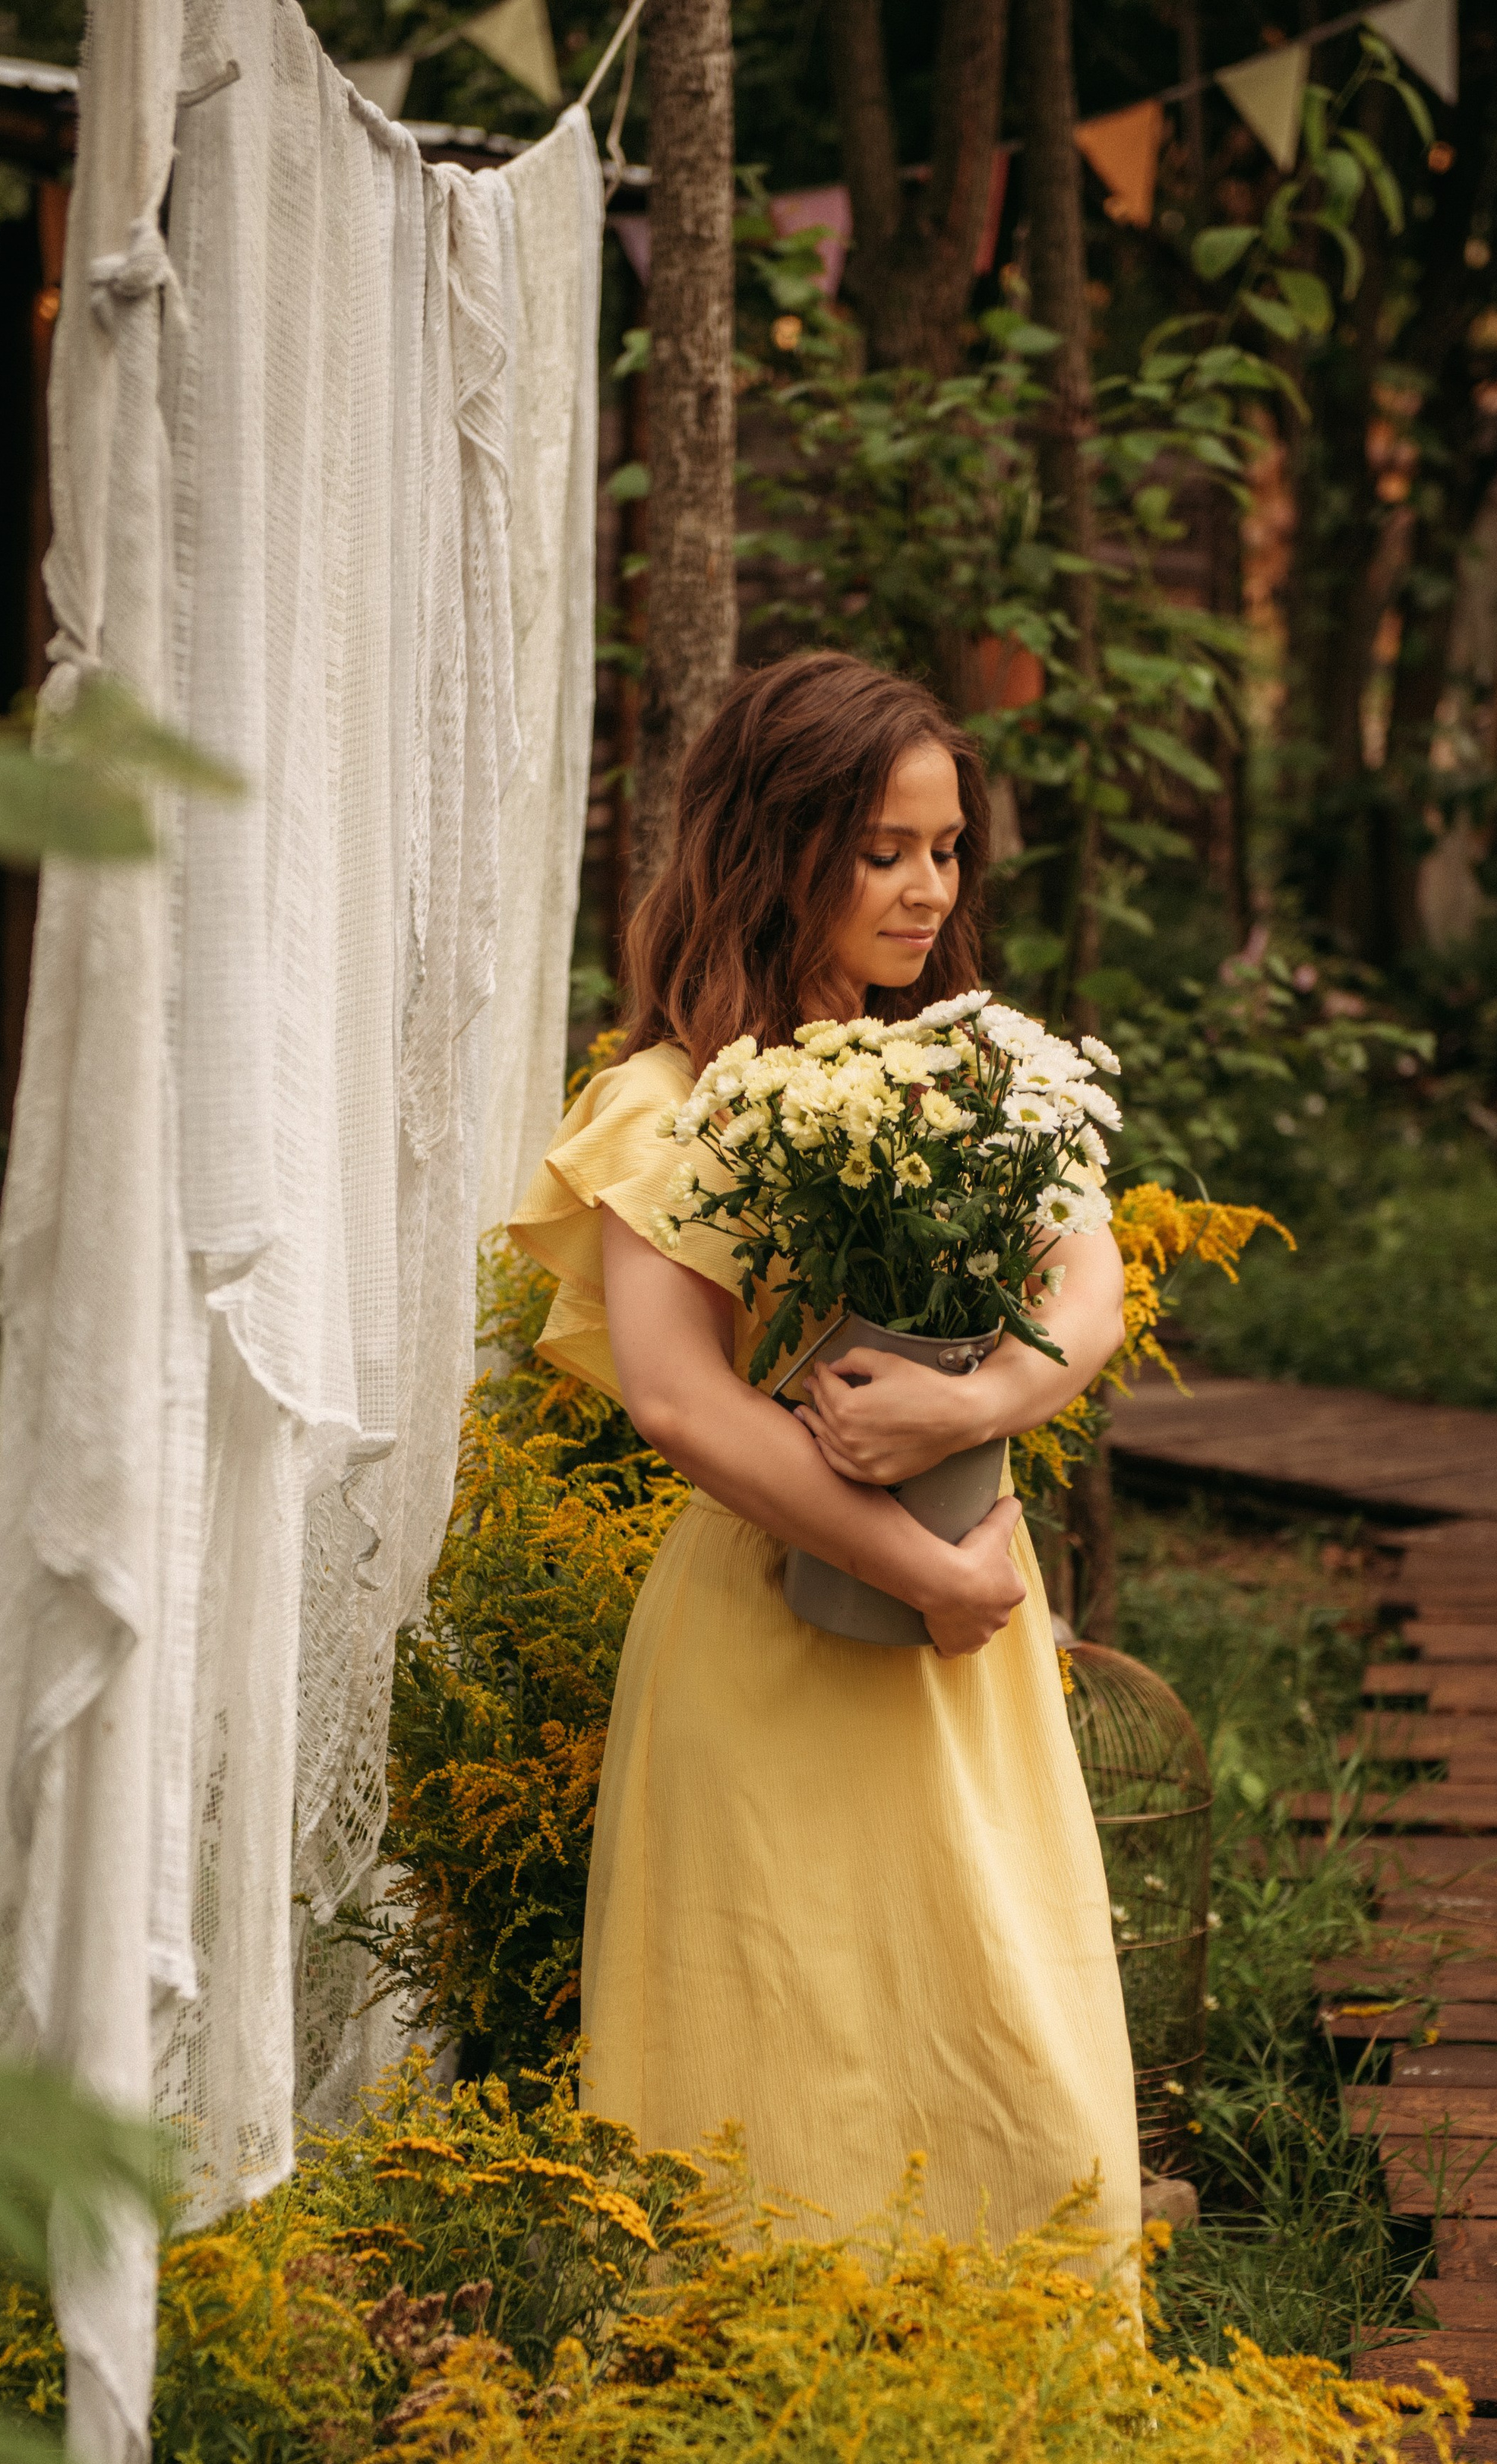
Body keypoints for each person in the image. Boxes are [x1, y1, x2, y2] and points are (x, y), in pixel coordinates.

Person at [509, 651, 1140, 2258]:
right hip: (778, 1630)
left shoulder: (973, 1066)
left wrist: (969, 1409)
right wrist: (920, 1567)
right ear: (771, 846)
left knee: (1002, 2033)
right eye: (881, 852)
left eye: (945, 852)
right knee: (774, 2041)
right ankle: (749, 2443)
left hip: (962, 1624)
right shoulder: (668, 1100)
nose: (927, 890)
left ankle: (1008, 2431)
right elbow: (679, 1399)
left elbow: (1089, 1283)